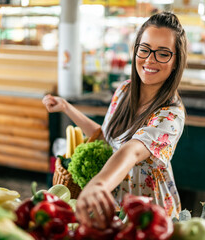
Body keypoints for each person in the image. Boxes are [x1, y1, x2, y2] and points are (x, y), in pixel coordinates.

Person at [42, 11, 187, 229]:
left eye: (163, 53)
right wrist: (66, 108)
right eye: (144, 49)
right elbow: (106, 138)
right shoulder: (125, 90)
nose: (149, 59)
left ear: (176, 61)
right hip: (113, 209)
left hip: (149, 217)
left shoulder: (171, 115)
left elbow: (131, 151)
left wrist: (98, 184)